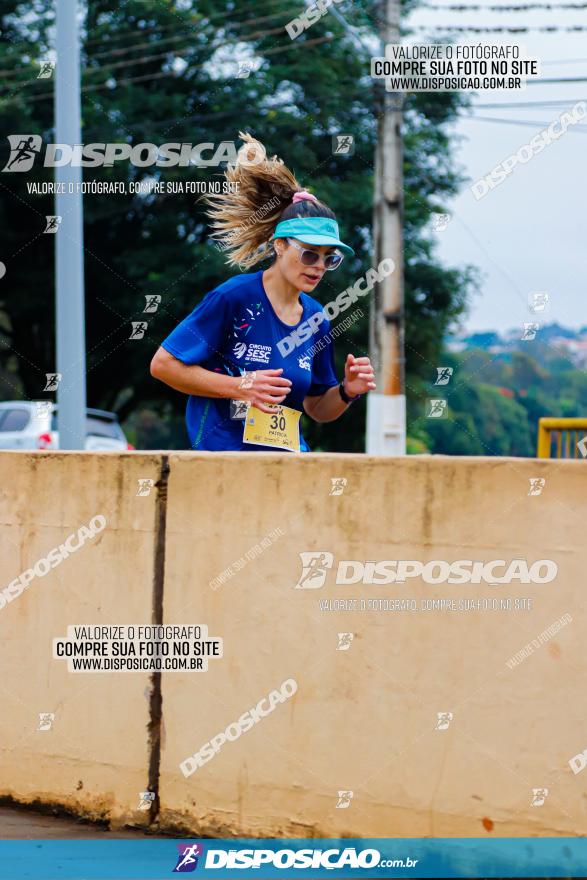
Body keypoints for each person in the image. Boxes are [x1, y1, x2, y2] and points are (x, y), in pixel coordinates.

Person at [150, 133, 376, 453]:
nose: (319, 266)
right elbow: (163, 365)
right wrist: (241, 386)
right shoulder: (233, 298)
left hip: (286, 462)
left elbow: (317, 409)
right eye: (310, 254)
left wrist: (346, 391)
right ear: (279, 245)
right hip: (224, 461)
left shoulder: (316, 319)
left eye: (330, 258)